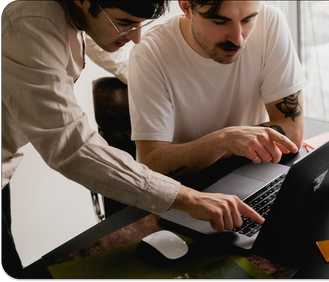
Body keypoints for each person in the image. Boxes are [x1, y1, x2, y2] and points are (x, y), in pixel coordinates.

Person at [1, 0, 264, 277]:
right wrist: (189, 198)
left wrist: (157, 82)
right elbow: (73, 148)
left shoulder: (80, 13)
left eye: (141, 24)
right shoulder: (30, 22)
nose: (137, 37)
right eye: (126, 23)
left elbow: (110, 49)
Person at [127, 0, 307, 179]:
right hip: (191, 187)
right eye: (220, 22)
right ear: (186, 7)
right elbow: (151, 164)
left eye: (247, 20)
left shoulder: (269, 21)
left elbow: (292, 133)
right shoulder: (150, 53)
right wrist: (223, 141)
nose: (238, 39)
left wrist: (228, 143)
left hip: (253, 171)